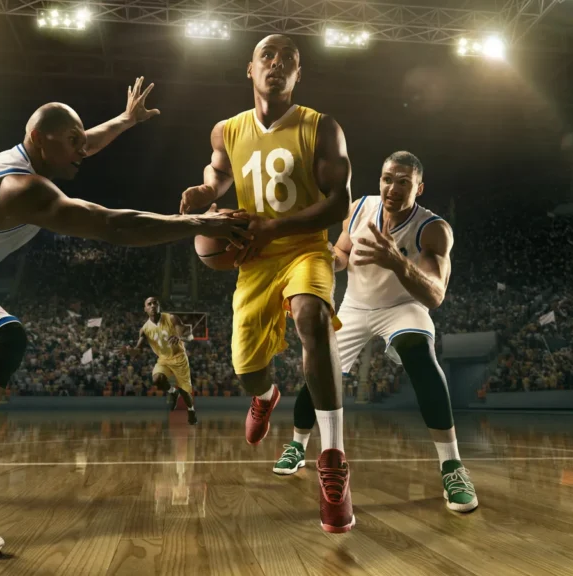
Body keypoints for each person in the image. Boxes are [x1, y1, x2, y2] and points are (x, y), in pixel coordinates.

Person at [0, 79, 251, 558]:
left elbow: (86, 142)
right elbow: (110, 224)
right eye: (74, 141)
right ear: (41, 140)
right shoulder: (22, 188)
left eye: (85, 139)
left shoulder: (28, 156)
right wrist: (198, 223)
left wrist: (124, 120)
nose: (85, 148)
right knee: (1, 339)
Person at [179, 35, 354, 533]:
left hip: (303, 249)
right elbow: (218, 179)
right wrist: (203, 192)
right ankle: (265, 396)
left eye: (288, 62)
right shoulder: (226, 131)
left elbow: (339, 204)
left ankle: (333, 458)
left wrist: (275, 226)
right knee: (247, 368)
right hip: (252, 261)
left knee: (311, 318)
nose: (276, 65)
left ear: (298, 76)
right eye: (267, 58)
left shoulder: (322, 128)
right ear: (249, 70)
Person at [275, 152, 478, 513]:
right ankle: (297, 444)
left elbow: (435, 295)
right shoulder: (358, 208)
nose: (393, 188)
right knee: (320, 369)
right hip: (356, 304)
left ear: (419, 187)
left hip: (403, 307)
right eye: (388, 178)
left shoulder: (433, 229)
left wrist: (396, 261)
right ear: (379, 179)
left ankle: (452, 466)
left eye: (404, 182)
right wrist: (325, 256)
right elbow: (341, 252)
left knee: (419, 352)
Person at [125, 296, 198, 424]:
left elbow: (188, 335)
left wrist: (179, 336)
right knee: (156, 379)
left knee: (185, 391)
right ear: (145, 309)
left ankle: (191, 410)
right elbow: (138, 350)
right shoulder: (145, 329)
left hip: (179, 357)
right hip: (164, 359)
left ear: (159, 306)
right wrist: (130, 351)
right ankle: (172, 392)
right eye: (149, 304)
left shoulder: (171, 318)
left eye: (155, 303)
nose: (153, 305)